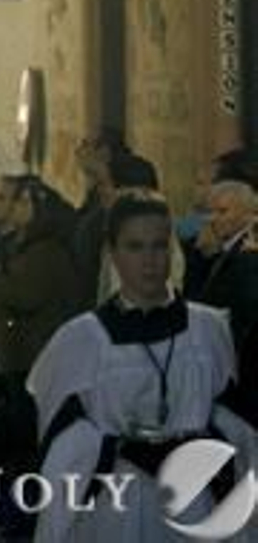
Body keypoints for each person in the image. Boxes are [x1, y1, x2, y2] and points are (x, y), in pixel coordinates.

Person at [28, 190, 258, 543]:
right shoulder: (81, 340)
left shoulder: (209, 329)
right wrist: (118, 448)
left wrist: (196, 441)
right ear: (114, 254)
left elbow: (237, 423)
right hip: (115, 504)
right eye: (135, 247)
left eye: (159, 245)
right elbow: (60, 440)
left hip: (192, 500)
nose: (149, 260)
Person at [186, 180, 258, 346]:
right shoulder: (219, 249)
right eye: (210, 212)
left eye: (222, 211)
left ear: (248, 214)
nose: (212, 219)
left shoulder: (249, 257)